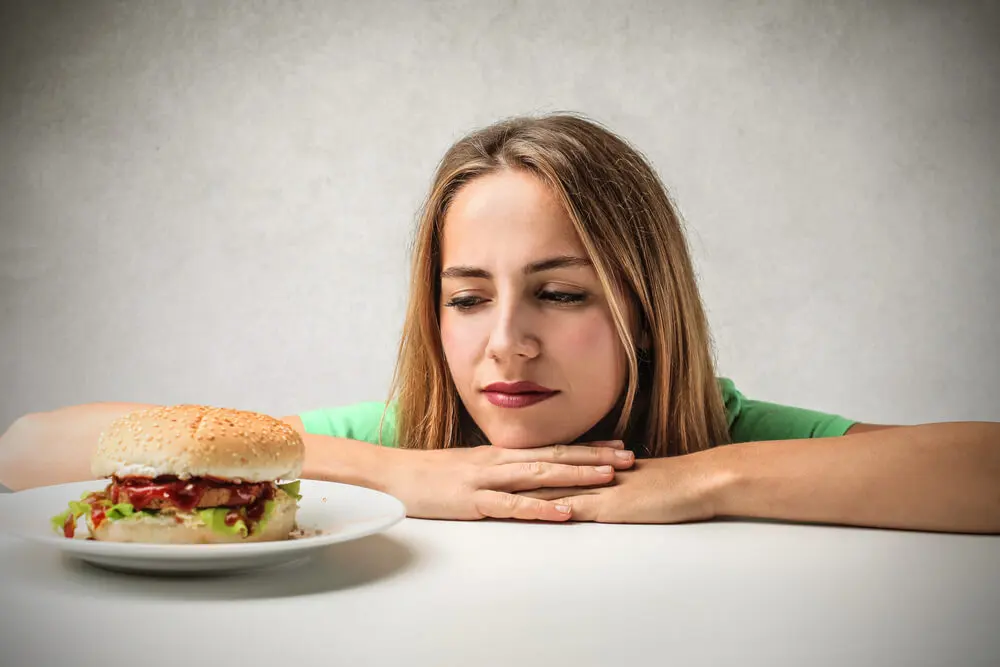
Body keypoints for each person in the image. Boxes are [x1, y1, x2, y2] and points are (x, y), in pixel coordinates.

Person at [1, 113, 997, 532]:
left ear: (646, 313)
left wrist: (694, 480)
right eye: (467, 296)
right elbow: (29, 448)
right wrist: (401, 473)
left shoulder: (725, 432)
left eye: (561, 293)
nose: (504, 343)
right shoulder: (401, 444)